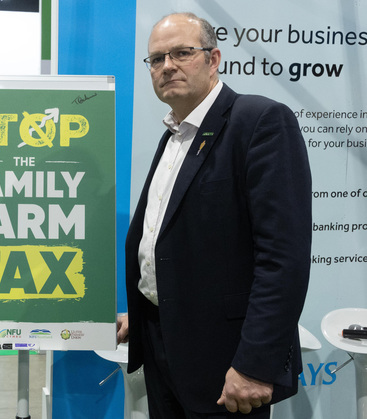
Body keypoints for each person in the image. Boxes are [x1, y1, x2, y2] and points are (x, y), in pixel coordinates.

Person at [118, 12, 312, 419]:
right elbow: (174, 242)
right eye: (156, 59)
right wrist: (143, 309)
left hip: (228, 366)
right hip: (162, 344)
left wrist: (255, 365)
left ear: (213, 59)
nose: (167, 66)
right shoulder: (175, 135)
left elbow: (283, 260)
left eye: (182, 53)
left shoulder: (259, 121)